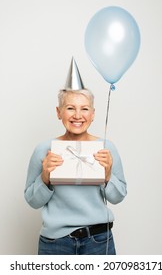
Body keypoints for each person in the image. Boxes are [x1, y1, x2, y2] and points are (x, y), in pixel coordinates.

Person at [24, 58, 127, 255]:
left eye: (84, 109)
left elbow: (119, 196)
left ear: (93, 114)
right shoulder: (44, 149)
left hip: (98, 241)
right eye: (70, 108)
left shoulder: (106, 148)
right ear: (59, 112)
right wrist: (44, 178)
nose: (77, 115)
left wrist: (107, 176)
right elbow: (32, 201)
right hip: (55, 243)